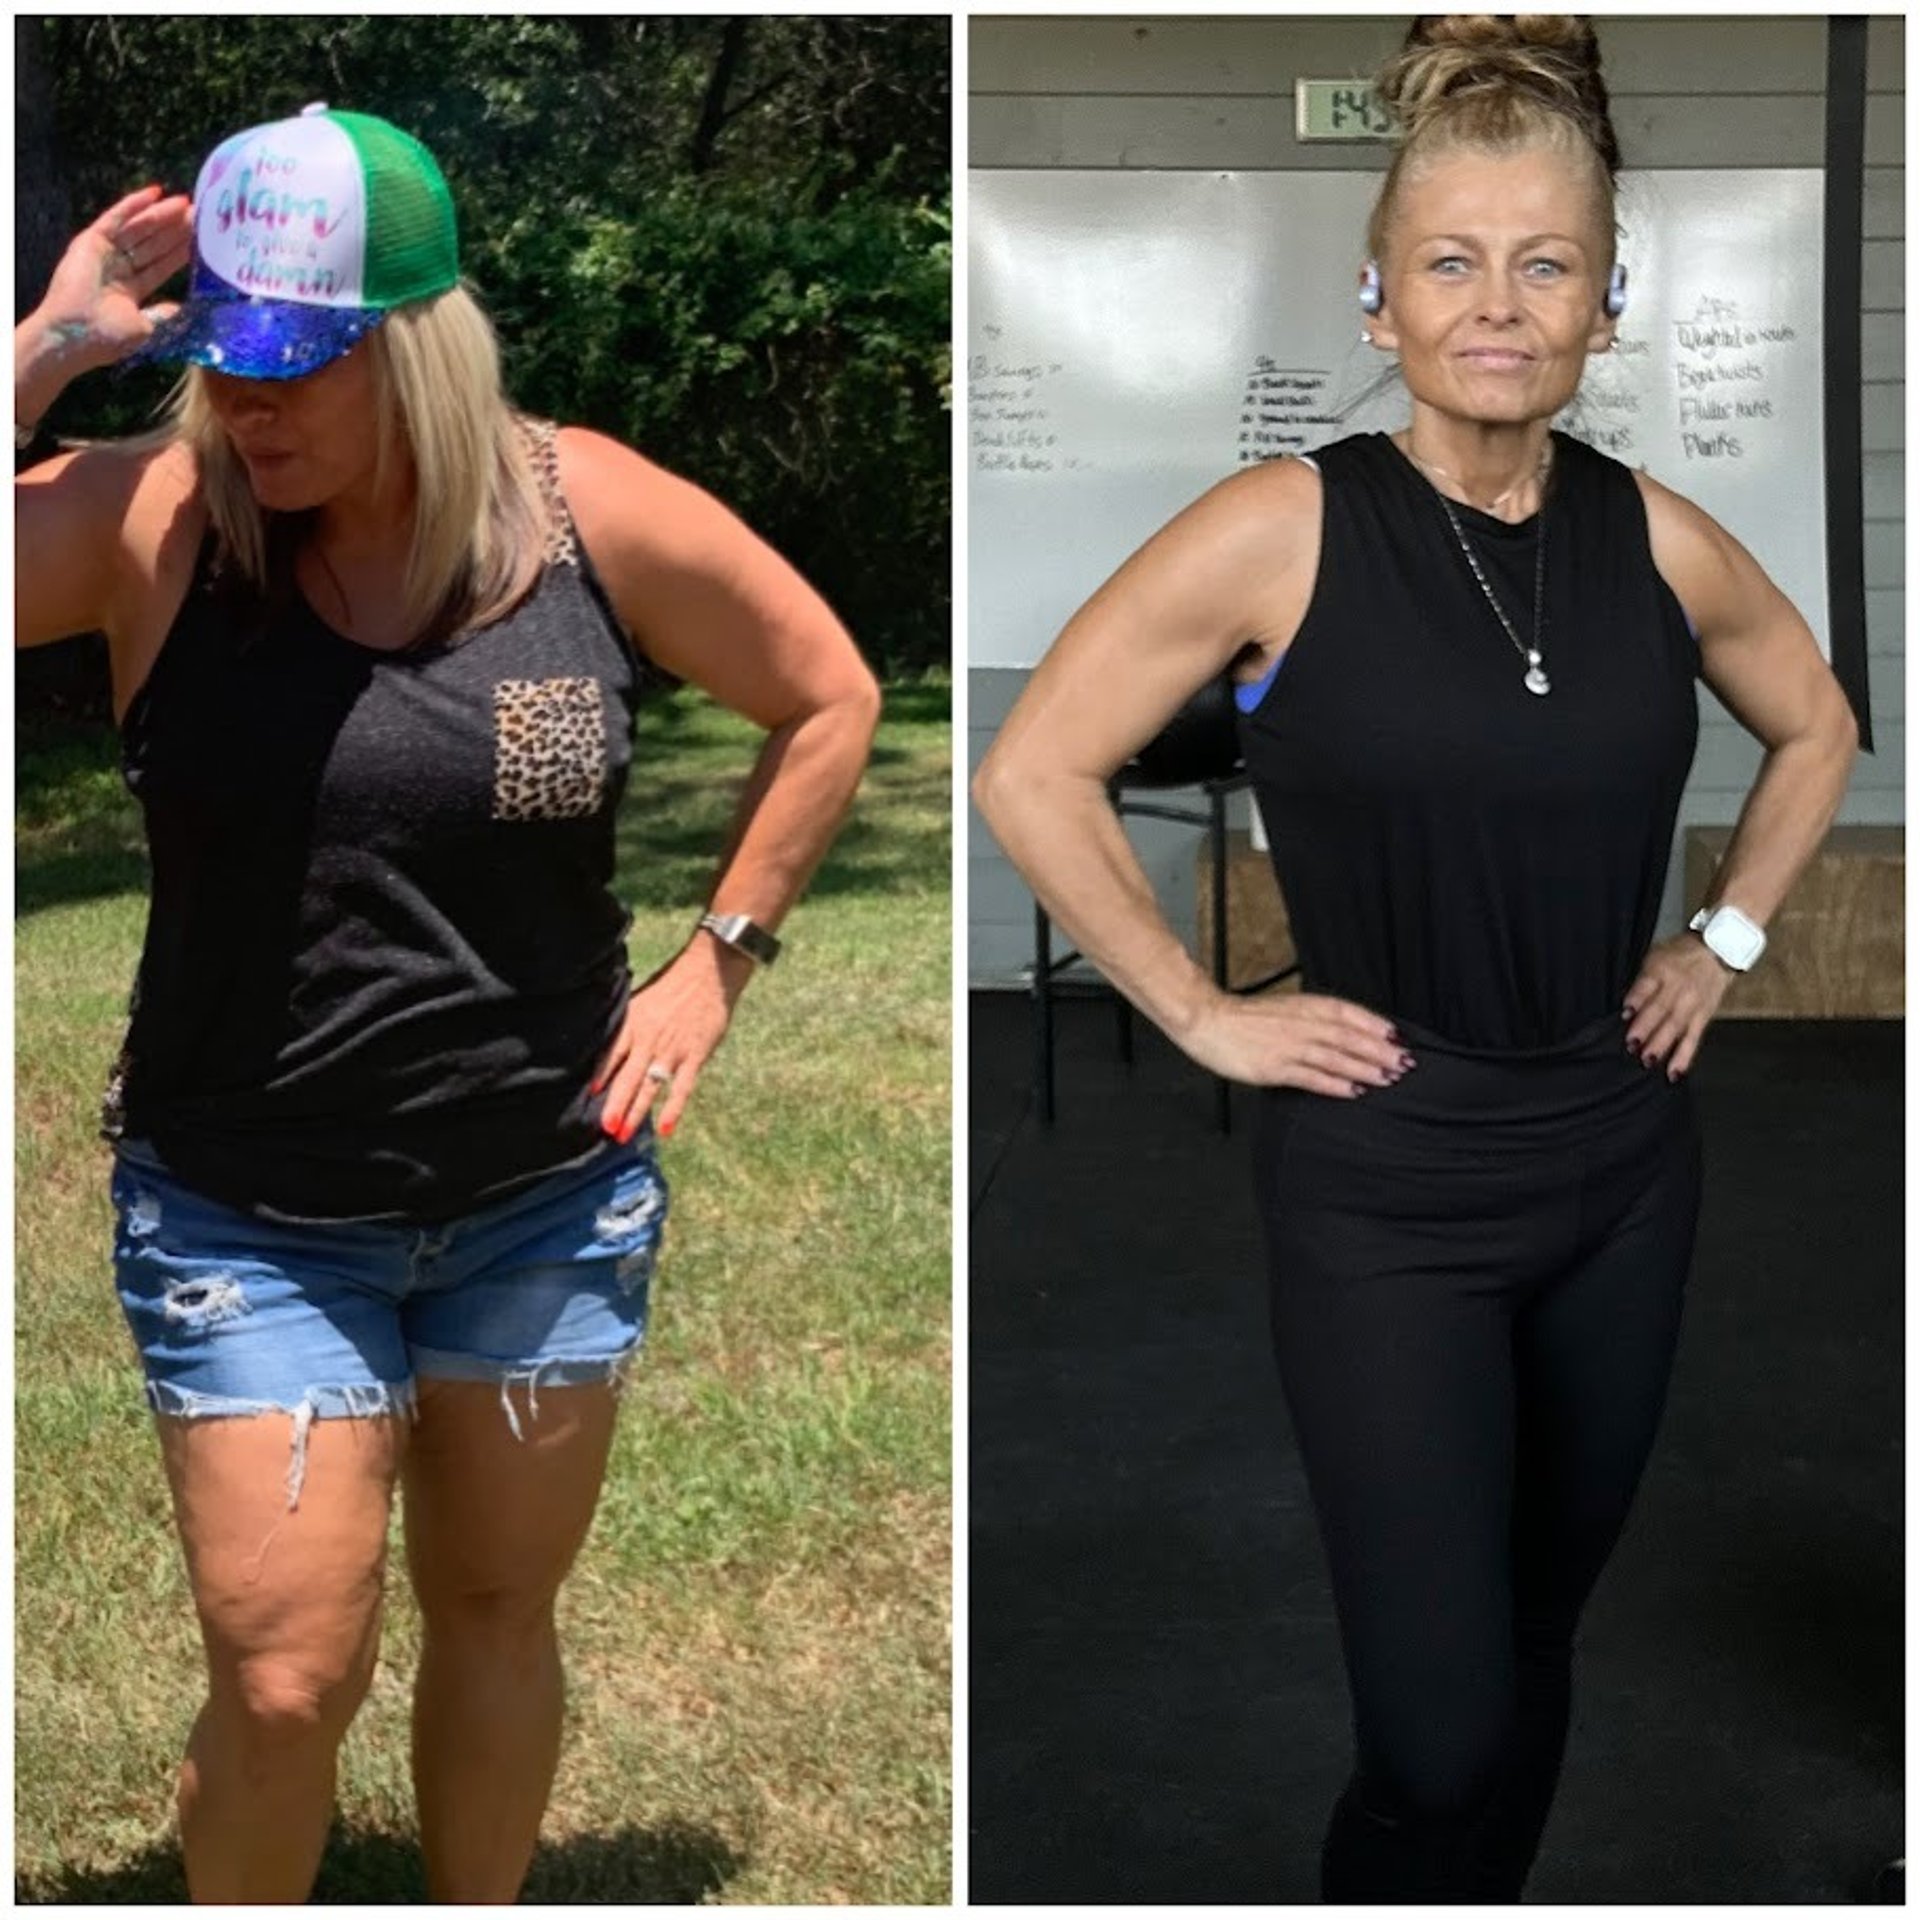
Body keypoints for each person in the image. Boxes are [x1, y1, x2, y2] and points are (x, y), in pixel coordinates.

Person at [972, 15, 1858, 1903]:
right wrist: (1203, 1012)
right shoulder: (1280, 530)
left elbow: (1821, 725)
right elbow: (1034, 768)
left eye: (1545, 265)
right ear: (1379, 300)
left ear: (1606, 307)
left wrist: (1721, 942)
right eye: (1452, 262)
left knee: (1539, 1643)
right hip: (1390, 1179)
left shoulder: (1659, 540)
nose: (1499, 303)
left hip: (1622, 1166)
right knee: (1438, 1721)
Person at [15, 105, 880, 1903]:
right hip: (249, 1210)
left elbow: (829, 694)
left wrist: (716, 966)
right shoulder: (158, 519)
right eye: (217, 359)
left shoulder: (584, 510)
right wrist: (47, 352)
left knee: (496, 1610)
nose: (246, 408)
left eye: (294, 367)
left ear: (415, 340)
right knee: (283, 1675)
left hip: (546, 1199)